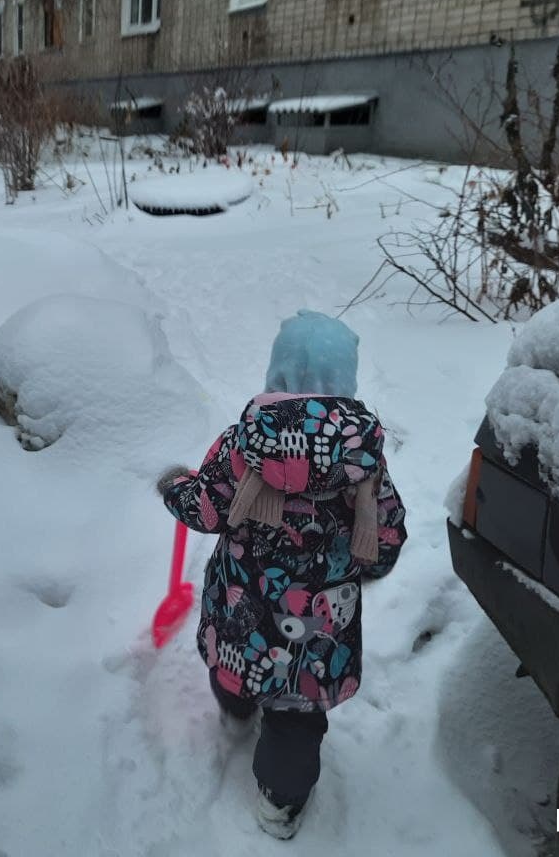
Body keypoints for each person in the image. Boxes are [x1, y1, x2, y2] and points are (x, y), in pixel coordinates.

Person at [157, 310, 408, 840]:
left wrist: (176, 488)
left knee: (237, 663)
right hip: (318, 625)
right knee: (297, 710)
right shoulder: (363, 458)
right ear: (347, 377)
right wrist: (377, 561)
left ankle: (235, 710)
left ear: (279, 372)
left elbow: (206, 509)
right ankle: (280, 803)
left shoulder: (244, 444)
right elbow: (385, 524)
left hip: (243, 604)